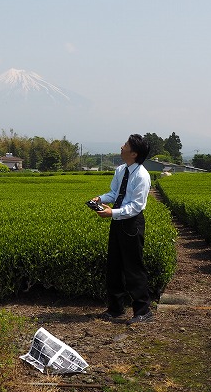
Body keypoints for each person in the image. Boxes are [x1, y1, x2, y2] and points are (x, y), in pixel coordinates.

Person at [90, 134, 152, 325]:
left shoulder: (142, 175)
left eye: (125, 145)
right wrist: (100, 199)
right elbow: (115, 193)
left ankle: (143, 311)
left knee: (133, 267)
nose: (121, 147)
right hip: (117, 220)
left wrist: (112, 213)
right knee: (114, 266)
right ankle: (116, 308)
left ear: (134, 153)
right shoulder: (121, 170)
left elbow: (136, 206)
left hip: (132, 223)